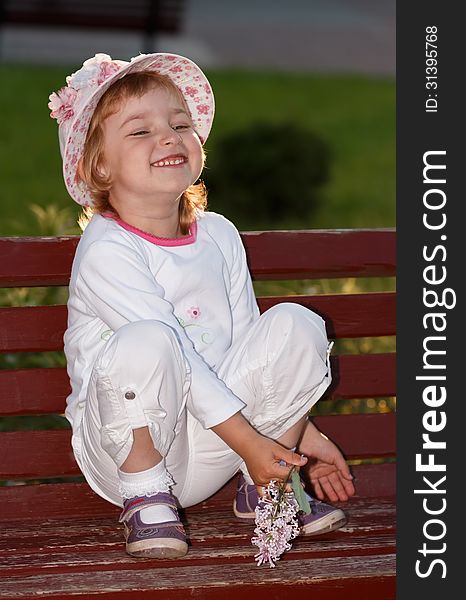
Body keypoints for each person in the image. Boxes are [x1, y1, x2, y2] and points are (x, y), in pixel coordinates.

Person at [48, 52, 355, 560]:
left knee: (297, 325)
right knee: (149, 339)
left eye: (179, 123)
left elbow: (248, 346)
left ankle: (267, 488)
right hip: (125, 449)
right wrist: (252, 443)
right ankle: (147, 500)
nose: (168, 137)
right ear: (99, 165)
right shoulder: (107, 249)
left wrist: (297, 435)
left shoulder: (218, 234)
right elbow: (181, 361)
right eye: (140, 132)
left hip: (219, 445)